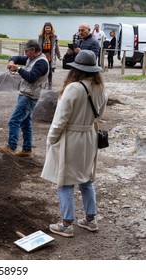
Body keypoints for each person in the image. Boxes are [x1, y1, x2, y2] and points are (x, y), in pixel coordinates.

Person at [41, 50, 108, 237]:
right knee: (86, 179)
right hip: (89, 137)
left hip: (71, 138)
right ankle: (90, 220)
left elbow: (60, 119)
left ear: (76, 69)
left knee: (65, 182)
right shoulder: (100, 88)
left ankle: (67, 224)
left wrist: (51, 139)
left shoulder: (73, 88)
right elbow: (100, 115)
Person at [0, 39, 49, 157]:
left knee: (14, 120)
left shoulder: (41, 62)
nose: (25, 53)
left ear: (33, 50)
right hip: (25, 93)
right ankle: (27, 150)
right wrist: (12, 62)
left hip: (30, 96)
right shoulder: (31, 58)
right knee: (26, 123)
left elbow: (31, 77)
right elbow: (16, 57)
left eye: (26, 51)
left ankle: (11, 147)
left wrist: (18, 69)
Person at [38, 22, 62, 90]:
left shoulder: (54, 37)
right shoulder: (41, 36)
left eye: (49, 28)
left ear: (51, 28)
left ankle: (50, 83)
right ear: (44, 28)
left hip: (50, 55)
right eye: (46, 28)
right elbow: (38, 46)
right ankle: (43, 83)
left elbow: (56, 48)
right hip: (42, 55)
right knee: (42, 69)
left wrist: (59, 56)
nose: (47, 29)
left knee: (50, 70)